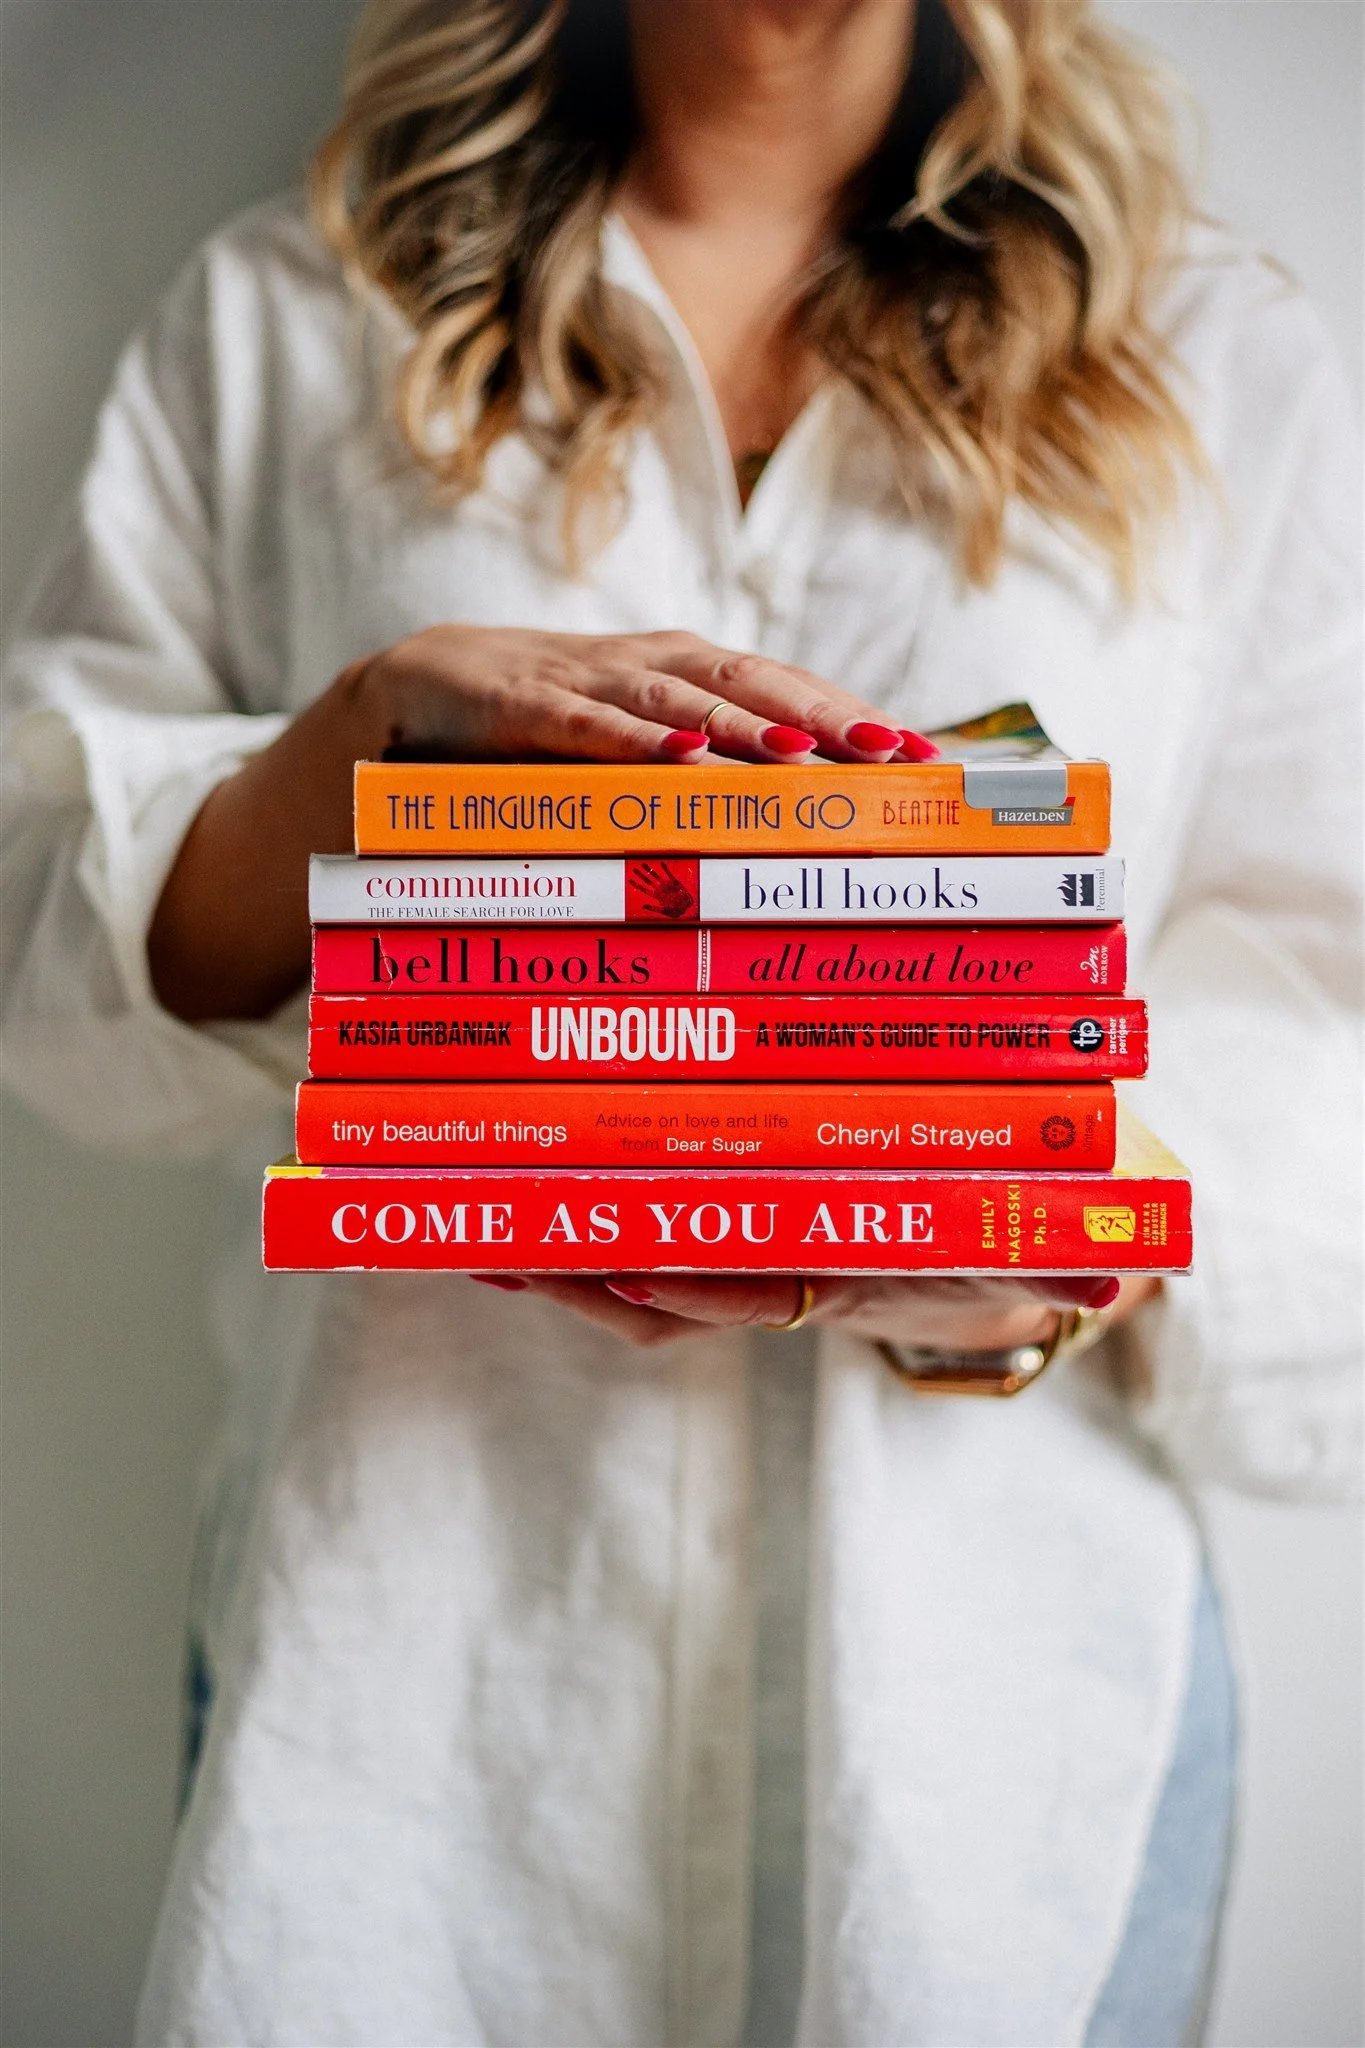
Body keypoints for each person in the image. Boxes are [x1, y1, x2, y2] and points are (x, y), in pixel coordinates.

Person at [1, 0, 1358, 2040]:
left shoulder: (1212, 356)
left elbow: (1319, 1008)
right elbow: (45, 940)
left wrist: (1047, 1236)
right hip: (396, 1733)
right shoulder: (292, 315)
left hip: (1000, 1753)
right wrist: (344, 752)